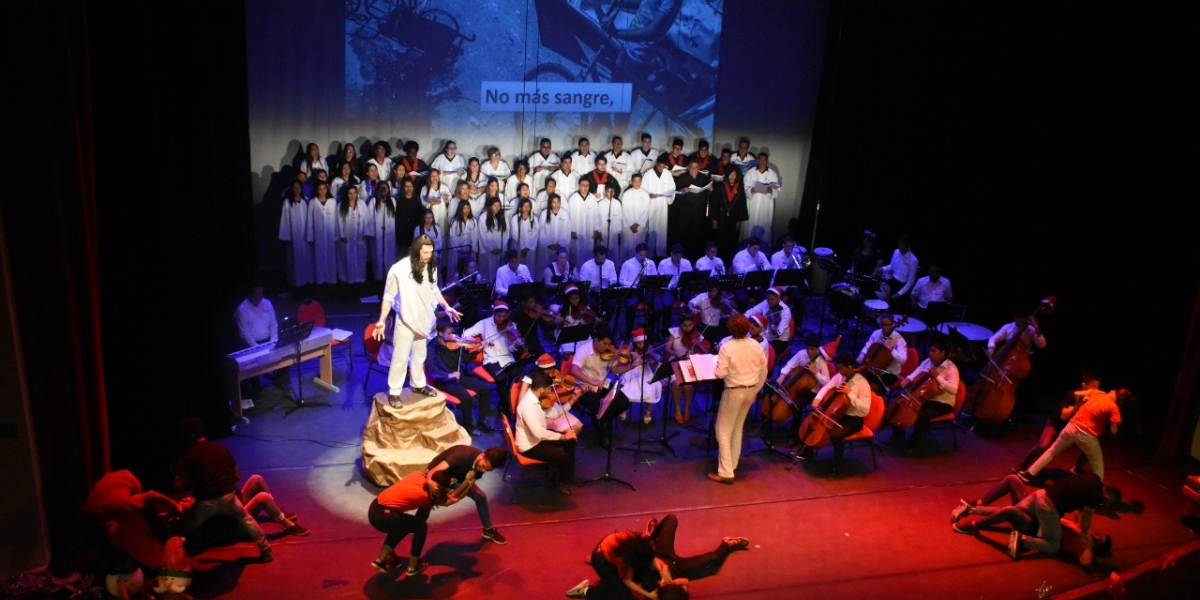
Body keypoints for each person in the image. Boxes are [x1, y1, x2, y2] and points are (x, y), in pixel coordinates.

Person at [568, 514, 749, 599]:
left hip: (661, 556)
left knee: (672, 520)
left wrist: (662, 569)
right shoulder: (631, 566)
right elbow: (628, 581)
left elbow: (653, 558)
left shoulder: (644, 548)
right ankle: (590, 585)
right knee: (623, 594)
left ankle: (651, 533)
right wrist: (655, 590)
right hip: (609, 555)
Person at [374, 236, 462, 408]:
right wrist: (382, 320)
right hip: (406, 319)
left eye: (431, 252)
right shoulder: (398, 269)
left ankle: (418, 384)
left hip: (424, 318)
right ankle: (394, 392)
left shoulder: (432, 266)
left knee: (420, 354)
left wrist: (447, 307)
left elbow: (434, 289)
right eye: (425, 252)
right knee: (400, 357)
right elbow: (388, 296)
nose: (429, 255)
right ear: (416, 250)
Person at [950, 473, 1112, 565]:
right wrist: (1085, 528)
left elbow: (1086, 562)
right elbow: (1082, 514)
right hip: (1042, 510)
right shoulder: (1082, 528)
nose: (1097, 533)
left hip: (1038, 512)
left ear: (1098, 546)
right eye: (1100, 533)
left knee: (1010, 508)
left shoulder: (1082, 543)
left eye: (1099, 538)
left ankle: (973, 516)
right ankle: (977, 507)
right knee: (1012, 481)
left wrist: (1088, 540)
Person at [172, 418, 274, 562]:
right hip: (228, 497)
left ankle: (174, 560)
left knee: (180, 530)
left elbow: (179, 486)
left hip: (205, 503)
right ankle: (266, 551)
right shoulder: (221, 449)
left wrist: (180, 472)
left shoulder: (190, 455)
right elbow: (237, 475)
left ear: (191, 436)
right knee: (247, 520)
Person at [1019, 373, 1121, 483]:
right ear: (1084, 385)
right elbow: (1063, 416)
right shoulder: (1073, 394)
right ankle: (1024, 464)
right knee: (1044, 446)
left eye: (1098, 386)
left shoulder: (1096, 396)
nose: (1096, 389)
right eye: (1094, 386)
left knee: (1087, 451)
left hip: (1072, 427)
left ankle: (1077, 468)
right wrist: (1080, 403)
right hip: (1057, 424)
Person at [368, 468, 470, 575]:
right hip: (384, 518)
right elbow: (451, 500)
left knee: (403, 525)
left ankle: (381, 560)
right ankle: (413, 566)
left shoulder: (417, 474)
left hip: (374, 509)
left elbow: (429, 471)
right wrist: (468, 482)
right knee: (420, 526)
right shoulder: (427, 497)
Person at [708, 314, 768, 484]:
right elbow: (763, 370)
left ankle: (726, 472)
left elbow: (720, 373)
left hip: (734, 391)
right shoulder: (755, 345)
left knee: (722, 430)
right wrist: (757, 389)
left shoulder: (727, 347)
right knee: (737, 428)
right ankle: (732, 464)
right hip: (750, 390)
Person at [791, 352, 872, 477]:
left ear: (850, 367)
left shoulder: (863, 384)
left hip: (854, 419)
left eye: (841, 368)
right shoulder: (840, 377)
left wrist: (849, 393)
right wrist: (817, 399)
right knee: (816, 421)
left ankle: (836, 465)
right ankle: (806, 451)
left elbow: (865, 409)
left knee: (835, 435)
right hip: (839, 414)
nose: (839, 371)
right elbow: (827, 387)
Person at [884, 338, 960, 455]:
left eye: (933, 351)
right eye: (929, 351)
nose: (930, 354)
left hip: (942, 402)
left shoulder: (951, 369)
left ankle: (914, 446)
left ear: (943, 353)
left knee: (921, 416)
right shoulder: (928, 362)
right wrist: (908, 379)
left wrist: (937, 377)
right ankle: (898, 437)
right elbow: (917, 372)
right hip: (925, 396)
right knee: (898, 405)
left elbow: (954, 390)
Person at [424, 445, 509, 545]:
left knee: (480, 497)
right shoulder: (461, 456)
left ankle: (488, 531)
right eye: (484, 467)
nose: (483, 471)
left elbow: (464, 489)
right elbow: (433, 471)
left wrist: (466, 482)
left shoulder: (480, 467)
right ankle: (418, 524)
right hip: (438, 475)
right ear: (482, 456)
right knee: (427, 501)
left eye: (487, 470)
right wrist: (429, 481)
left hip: (458, 478)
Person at [515, 369, 579, 494]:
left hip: (537, 439)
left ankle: (562, 478)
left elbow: (555, 414)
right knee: (564, 457)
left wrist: (572, 400)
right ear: (541, 390)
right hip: (530, 446)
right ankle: (562, 482)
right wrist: (563, 437)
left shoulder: (536, 398)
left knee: (571, 442)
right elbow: (539, 433)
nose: (551, 392)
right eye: (549, 389)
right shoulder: (527, 406)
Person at [426, 318, 493, 434]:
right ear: (441, 333)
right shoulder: (432, 347)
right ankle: (469, 426)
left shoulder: (454, 344)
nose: (453, 335)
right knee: (466, 397)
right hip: (444, 380)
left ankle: (482, 421)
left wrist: (478, 350)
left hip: (458, 376)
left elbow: (465, 359)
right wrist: (449, 375)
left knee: (485, 388)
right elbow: (432, 369)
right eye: (449, 333)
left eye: (452, 332)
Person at [568, 324, 630, 447]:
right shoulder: (583, 350)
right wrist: (591, 381)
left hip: (602, 384)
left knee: (624, 401)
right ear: (596, 340)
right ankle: (603, 432)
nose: (608, 347)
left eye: (609, 344)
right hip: (585, 387)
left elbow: (615, 370)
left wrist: (631, 366)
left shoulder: (608, 352)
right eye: (605, 343)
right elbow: (574, 370)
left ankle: (603, 421)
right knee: (599, 405)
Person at [462, 300, 523, 419]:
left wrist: (516, 345)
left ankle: (514, 404)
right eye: (499, 316)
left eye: (504, 316)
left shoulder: (510, 326)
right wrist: (481, 343)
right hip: (491, 359)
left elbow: (510, 349)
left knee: (516, 377)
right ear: (494, 313)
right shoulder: (484, 323)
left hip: (507, 358)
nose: (501, 319)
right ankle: (508, 407)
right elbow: (465, 335)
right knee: (500, 378)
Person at [235, 284, 278, 404]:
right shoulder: (242, 310)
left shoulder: (267, 303)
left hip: (267, 339)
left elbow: (273, 324)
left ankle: (282, 383)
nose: (260, 297)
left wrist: (273, 340)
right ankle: (255, 392)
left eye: (261, 294)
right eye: (257, 294)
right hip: (251, 343)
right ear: (250, 295)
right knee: (253, 365)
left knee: (284, 352)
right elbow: (245, 333)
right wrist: (257, 348)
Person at [667, 313, 712, 424]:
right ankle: (677, 410)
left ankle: (687, 408)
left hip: (689, 363)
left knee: (687, 386)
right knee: (676, 383)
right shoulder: (674, 332)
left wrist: (698, 346)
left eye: (690, 325)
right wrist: (674, 352)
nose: (687, 328)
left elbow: (703, 351)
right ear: (681, 325)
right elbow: (667, 348)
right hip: (676, 362)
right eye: (685, 325)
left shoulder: (697, 335)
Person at [618, 328, 663, 424]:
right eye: (638, 343)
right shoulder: (630, 347)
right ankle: (622, 408)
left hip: (645, 371)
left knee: (651, 387)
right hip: (631, 370)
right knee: (624, 387)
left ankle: (648, 411)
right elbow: (622, 360)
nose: (641, 345)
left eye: (643, 342)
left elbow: (655, 361)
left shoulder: (649, 347)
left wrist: (650, 354)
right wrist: (632, 357)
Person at [672, 160, 712, 258]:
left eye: (696, 167)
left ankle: (694, 255)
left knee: (696, 234)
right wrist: (682, 191)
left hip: (698, 211)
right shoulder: (682, 178)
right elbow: (675, 193)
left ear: (699, 168)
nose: (694, 170)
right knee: (683, 234)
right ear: (688, 168)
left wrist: (710, 189)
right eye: (692, 167)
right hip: (684, 211)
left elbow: (708, 193)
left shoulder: (703, 178)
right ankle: (681, 255)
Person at [856, 314, 908, 388]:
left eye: (887, 325)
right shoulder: (876, 334)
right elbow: (868, 345)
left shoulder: (899, 340)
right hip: (873, 367)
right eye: (882, 324)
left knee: (874, 387)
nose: (884, 327)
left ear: (893, 324)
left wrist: (891, 348)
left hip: (890, 373)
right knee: (856, 379)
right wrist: (862, 354)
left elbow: (903, 360)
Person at [776, 334, 833, 401]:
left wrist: (816, 373)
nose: (809, 351)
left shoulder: (822, 363)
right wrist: (782, 375)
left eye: (812, 349)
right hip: (796, 382)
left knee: (797, 403)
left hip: (810, 390)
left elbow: (827, 382)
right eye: (807, 348)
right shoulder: (801, 354)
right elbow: (790, 365)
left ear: (817, 348)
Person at [619, 243, 660, 334]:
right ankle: (630, 332)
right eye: (640, 255)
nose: (643, 257)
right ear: (636, 253)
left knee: (658, 307)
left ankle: (646, 326)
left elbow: (654, 278)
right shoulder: (628, 264)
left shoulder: (650, 263)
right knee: (630, 306)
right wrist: (634, 285)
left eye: (645, 254)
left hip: (646, 290)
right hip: (633, 290)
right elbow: (621, 280)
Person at [641, 156, 676, 259]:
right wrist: (648, 195)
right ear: (656, 164)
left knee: (662, 228)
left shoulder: (668, 174)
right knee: (651, 227)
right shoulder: (648, 174)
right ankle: (650, 254)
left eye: (663, 166)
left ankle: (660, 254)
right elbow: (643, 188)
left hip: (662, 205)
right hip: (652, 204)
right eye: (660, 166)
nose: (661, 168)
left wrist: (668, 194)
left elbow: (672, 188)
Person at [279, 180, 312, 287]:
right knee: (295, 259)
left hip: (305, 236)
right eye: (295, 187)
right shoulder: (288, 203)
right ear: (292, 189)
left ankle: (307, 282)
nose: (297, 190)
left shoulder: (305, 202)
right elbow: (285, 221)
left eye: (299, 187)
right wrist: (287, 237)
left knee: (306, 259)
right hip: (294, 236)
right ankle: (297, 284)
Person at [744, 286, 792, 359]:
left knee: (760, 353)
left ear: (778, 298)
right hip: (765, 336)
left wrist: (772, 322)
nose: (769, 302)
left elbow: (777, 334)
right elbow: (752, 310)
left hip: (779, 340)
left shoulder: (785, 311)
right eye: (768, 299)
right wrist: (744, 317)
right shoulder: (766, 302)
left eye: (772, 299)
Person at [742, 152, 779, 247]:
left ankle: (763, 250)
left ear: (767, 161)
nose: (762, 162)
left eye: (764, 160)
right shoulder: (750, 172)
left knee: (764, 226)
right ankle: (748, 248)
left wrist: (771, 190)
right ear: (757, 160)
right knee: (750, 225)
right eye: (761, 160)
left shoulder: (772, 174)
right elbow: (745, 187)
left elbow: (777, 189)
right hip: (752, 203)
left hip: (766, 204)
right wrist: (751, 190)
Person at [709, 165, 748, 256]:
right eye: (730, 174)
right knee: (720, 241)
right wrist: (714, 220)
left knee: (732, 242)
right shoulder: (720, 187)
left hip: (734, 219)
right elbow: (714, 204)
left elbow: (742, 205)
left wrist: (739, 221)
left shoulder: (740, 188)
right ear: (727, 175)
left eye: (734, 175)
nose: (732, 177)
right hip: (721, 218)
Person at [875, 235, 918, 314]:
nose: (900, 247)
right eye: (899, 244)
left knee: (897, 311)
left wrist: (899, 294)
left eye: (902, 245)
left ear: (908, 245)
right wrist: (882, 269)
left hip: (902, 287)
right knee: (888, 306)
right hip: (893, 282)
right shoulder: (896, 251)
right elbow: (892, 266)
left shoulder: (913, 260)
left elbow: (910, 281)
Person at [307, 180, 339, 284]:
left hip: (330, 235)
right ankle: (320, 279)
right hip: (318, 234)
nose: (322, 191)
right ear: (317, 190)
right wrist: (310, 237)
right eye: (320, 189)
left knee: (331, 257)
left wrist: (336, 235)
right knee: (319, 257)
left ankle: (331, 279)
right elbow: (309, 220)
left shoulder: (332, 202)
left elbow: (336, 219)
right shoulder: (313, 202)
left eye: (324, 189)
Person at [336, 185, 370, 284]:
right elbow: (339, 221)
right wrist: (342, 234)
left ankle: (360, 279)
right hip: (347, 238)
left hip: (359, 237)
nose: (352, 196)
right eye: (350, 193)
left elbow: (366, 219)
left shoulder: (361, 204)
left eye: (354, 193)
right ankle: (346, 279)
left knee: (360, 258)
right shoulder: (341, 205)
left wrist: (365, 232)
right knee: (346, 258)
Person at [657, 244, 693, 333]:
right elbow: (661, 280)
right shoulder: (663, 263)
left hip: (682, 288)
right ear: (671, 254)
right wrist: (671, 286)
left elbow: (690, 277)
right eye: (676, 256)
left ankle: (688, 327)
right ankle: (666, 330)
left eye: (680, 256)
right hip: (668, 289)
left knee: (691, 301)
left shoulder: (686, 263)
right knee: (667, 304)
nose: (678, 258)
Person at [368, 182, 397, 281]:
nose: (384, 191)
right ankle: (379, 276)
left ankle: (388, 275)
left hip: (389, 233)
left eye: (385, 189)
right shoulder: (373, 202)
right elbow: (370, 219)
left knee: (389, 253)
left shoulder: (392, 201)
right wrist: (371, 232)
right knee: (378, 253)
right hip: (378, 233)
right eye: (382, 189)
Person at [620, 173, 651, 264]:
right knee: (627, 246)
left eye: (639, 181)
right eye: (635, 181)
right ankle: (626, 265)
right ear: (631, 182)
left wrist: (637, 224)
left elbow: (646, 210)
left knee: (639, 245)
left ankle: (639, 264)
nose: (637, 183)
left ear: (641, 182)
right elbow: (624, 210)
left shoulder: (645, 194)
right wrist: (631, 224)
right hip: (628, 227)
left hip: (640, 226)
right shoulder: (626, 194)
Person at [568, 178, 600, 266]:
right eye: (583, 185)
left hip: (590, 230)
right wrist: (572, 230)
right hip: (577, 230)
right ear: (579, 186)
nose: (585, 188)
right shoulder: (573, 199)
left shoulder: (592, 198)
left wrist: (596, 229)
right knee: (577, 252)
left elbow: (597, 214)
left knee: (589, 251)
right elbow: (569, 216)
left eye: (587, 186)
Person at [478, 196, 510, 281]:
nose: (497, 207)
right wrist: (491, 248)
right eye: (495, 205)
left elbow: (506, 233)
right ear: (490, 206)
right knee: (488, 272)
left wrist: (500, 247)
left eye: (499, 205)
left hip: (500, 250)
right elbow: (482, 234)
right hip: (488, 251)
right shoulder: (483, 217)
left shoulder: (503, 217)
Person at [395, 176, 425, 250]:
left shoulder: (417, 199)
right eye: (406, 186)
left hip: (413, 229)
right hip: (402, 230)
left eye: (410, 186)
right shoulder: (399, 199)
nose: (409, 188)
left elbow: (420, 214)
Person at [448, 199, 479, 269]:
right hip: (458, 251)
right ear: (461, 209)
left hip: (469, 250)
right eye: (464, 208)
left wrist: (471, 248)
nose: (467, 210)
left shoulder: (473, 221)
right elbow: (452, 236)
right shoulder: (454, 221)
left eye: (468, 208)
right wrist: (459, 249)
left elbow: (475, 236)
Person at [596, 186, 624, 261]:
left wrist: (619, 231)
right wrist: (599, 231)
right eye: (609, 192)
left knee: (614, 248)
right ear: (605, 193)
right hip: (604, 230)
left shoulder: (617, 203)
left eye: (612, 192)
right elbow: (597, 218)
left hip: (614, 230)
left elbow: (620, 218)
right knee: (603, 247)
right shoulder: (600, 204)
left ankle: (614, 265)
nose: (611, 194)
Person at [509, 196, 541, 264]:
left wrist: (528, 247)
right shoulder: (515, 218)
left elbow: (535, 234)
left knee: (530, 267)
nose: (526, 208)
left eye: (528, 206)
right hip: (518, 248)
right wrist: (522, 247)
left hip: (530, 249)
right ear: (520, 207)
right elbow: (514, 234)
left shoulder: (534, 218)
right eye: (524, 206)